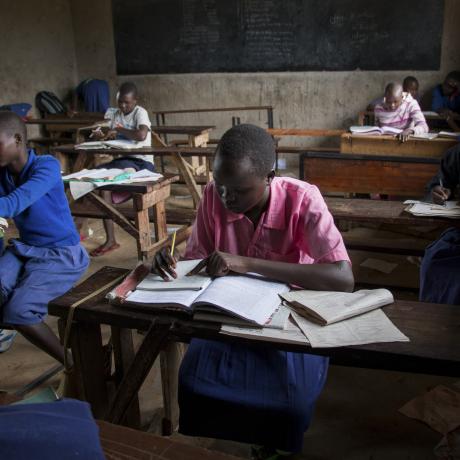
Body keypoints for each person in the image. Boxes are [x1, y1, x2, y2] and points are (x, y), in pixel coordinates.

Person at [152, 124, 354, 458]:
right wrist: (170, 262)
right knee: (194, 384)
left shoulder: (303, 199)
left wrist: (247, 264)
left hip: (289, 316)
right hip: (230, 312)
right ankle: (255, 440)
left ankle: (273, 446)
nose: (227, 198)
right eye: (220, 187)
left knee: (290, 402)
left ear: (270, 176)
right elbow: (197, 261)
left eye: (240, 190)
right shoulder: (214, 197)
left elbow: (343, 278)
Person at [0, 111, 89, 359]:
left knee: (19, 310)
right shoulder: (3, 174)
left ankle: (69, 359)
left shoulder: (47, 166)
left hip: (61, 253)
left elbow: (14, 203)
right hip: (24, 248)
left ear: (18, 140)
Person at [89, 82, 153, 256]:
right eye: (120, 103)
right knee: (99, 179)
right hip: (124, 161)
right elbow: (112, 134)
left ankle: (143, 238)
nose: (123, 106)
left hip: (142, 163)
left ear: (135, 101)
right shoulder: (116, 114)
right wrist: (102, 135)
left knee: (116, 178)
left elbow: (141, 135)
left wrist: (119, 129)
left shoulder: (140, 113)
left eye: (127, 103)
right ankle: (110, 240)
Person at [420, 143, 460, 305]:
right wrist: (438, 190)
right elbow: (440, 183)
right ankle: (435, 318)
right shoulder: (456, 154)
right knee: (435, 259)